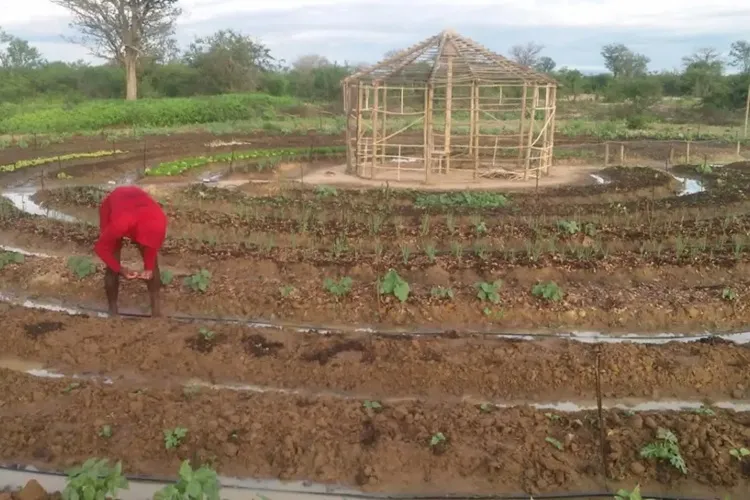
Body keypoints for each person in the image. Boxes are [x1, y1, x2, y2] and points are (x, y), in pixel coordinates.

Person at [94, 186, 168, 317]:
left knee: (153, 264)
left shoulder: (159, 219)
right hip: (113, 210)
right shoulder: (119, 223)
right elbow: (101, 248)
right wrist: (120, 269)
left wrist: (149, 268)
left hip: (137, 211)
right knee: (112, 261)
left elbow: (151, 246)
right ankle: (113, 311)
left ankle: (156, 313)